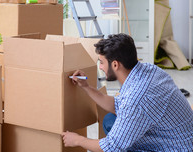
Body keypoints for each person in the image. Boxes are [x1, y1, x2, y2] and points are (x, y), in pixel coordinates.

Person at [62, 33, 193, 152]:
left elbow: (111, 146)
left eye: (101, 62)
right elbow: (117, 105)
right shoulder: (150, 70)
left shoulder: (136, 99)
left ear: (115, 65)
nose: (100, 67)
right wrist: (86, 87)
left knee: (116, 139)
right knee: (110, 120)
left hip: (175, 148)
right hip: (179, 138)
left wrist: (78, 140)